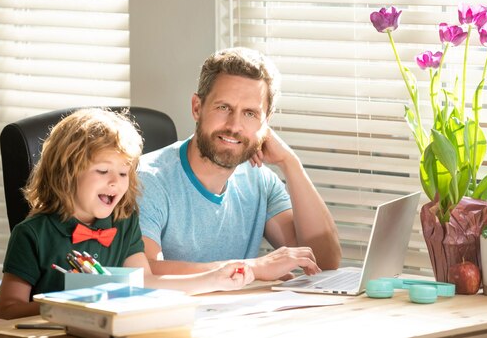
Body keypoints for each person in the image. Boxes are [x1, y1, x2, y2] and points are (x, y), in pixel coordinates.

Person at [0, 108, 253, 319]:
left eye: (123, 173)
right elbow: (8, 311)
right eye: (102, 171)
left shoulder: (124, 222)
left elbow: (147, 282)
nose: (115, 183)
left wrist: (212, 280)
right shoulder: (31, 235)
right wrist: (69, 304)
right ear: (67, 172)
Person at [137, 47, 342, 281]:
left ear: (266, 122)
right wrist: (250, 268)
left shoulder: (258, 179)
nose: (234, 126)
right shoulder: (148, 180)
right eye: (224, 107)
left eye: (250, 114)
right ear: (197, 107)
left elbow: (324, 262)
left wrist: (290, 163)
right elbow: (145, 271)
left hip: (242, 314)